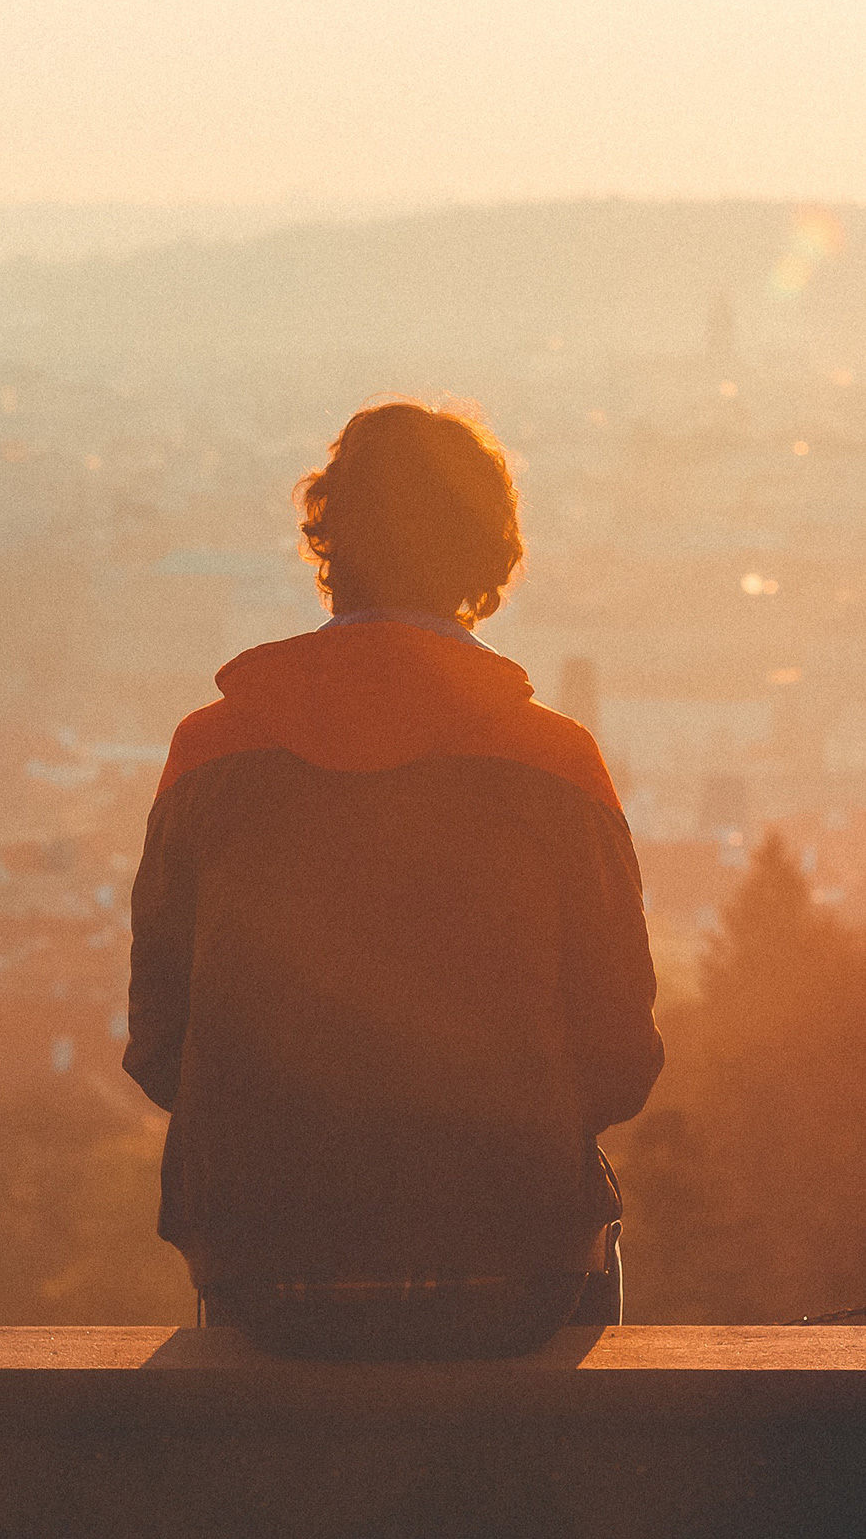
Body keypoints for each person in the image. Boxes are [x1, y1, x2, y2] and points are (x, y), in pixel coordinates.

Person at [124, 400, 663, 1357]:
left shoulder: (209, 754)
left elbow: (162, 1043)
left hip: (268, 1274)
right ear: (486, 558)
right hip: (511, 1270)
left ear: (329, 546)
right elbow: (620, 1054)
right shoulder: (556, 764)